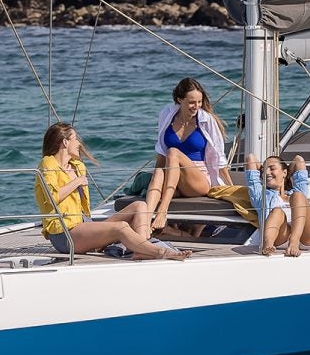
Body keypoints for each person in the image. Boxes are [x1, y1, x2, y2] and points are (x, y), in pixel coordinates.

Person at [35, 122, 189, 261]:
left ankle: (141, 250)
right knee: (120, 227)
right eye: (75, 139)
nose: (79, 143)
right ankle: (159, 252)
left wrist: (78, 178)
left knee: (140, 206)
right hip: (65, 233)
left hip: (83, 226)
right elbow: (52, 198)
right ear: (64, 142)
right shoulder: (48, 163)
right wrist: (77, 182)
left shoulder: (77, 166)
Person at [146, 77, 231, 231]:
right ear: (179, 99)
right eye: (192, 102)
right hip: (174, 177)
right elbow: (161, 152)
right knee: (159, 171)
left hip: (198, 180)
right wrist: (155, 178)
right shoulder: (167, 115)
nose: (196, 106)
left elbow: (220, 159)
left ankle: (162, 210)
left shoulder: (207, 120)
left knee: (173, 152)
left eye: (199, 102)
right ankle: (145, 222)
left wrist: (231, 188)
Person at [245, 153, 310, 256]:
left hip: (305, 235)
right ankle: (268, 244)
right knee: (277, 211)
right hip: (281, 237)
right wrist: (269, 171)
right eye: (264, 170)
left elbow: (298, 160)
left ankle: (294, 241)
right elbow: (251, 158)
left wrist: (285, 171)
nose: (267, 172)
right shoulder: (260, 195)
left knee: (298, 196)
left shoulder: (297, 190)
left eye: (271, 168)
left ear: (284, 172)